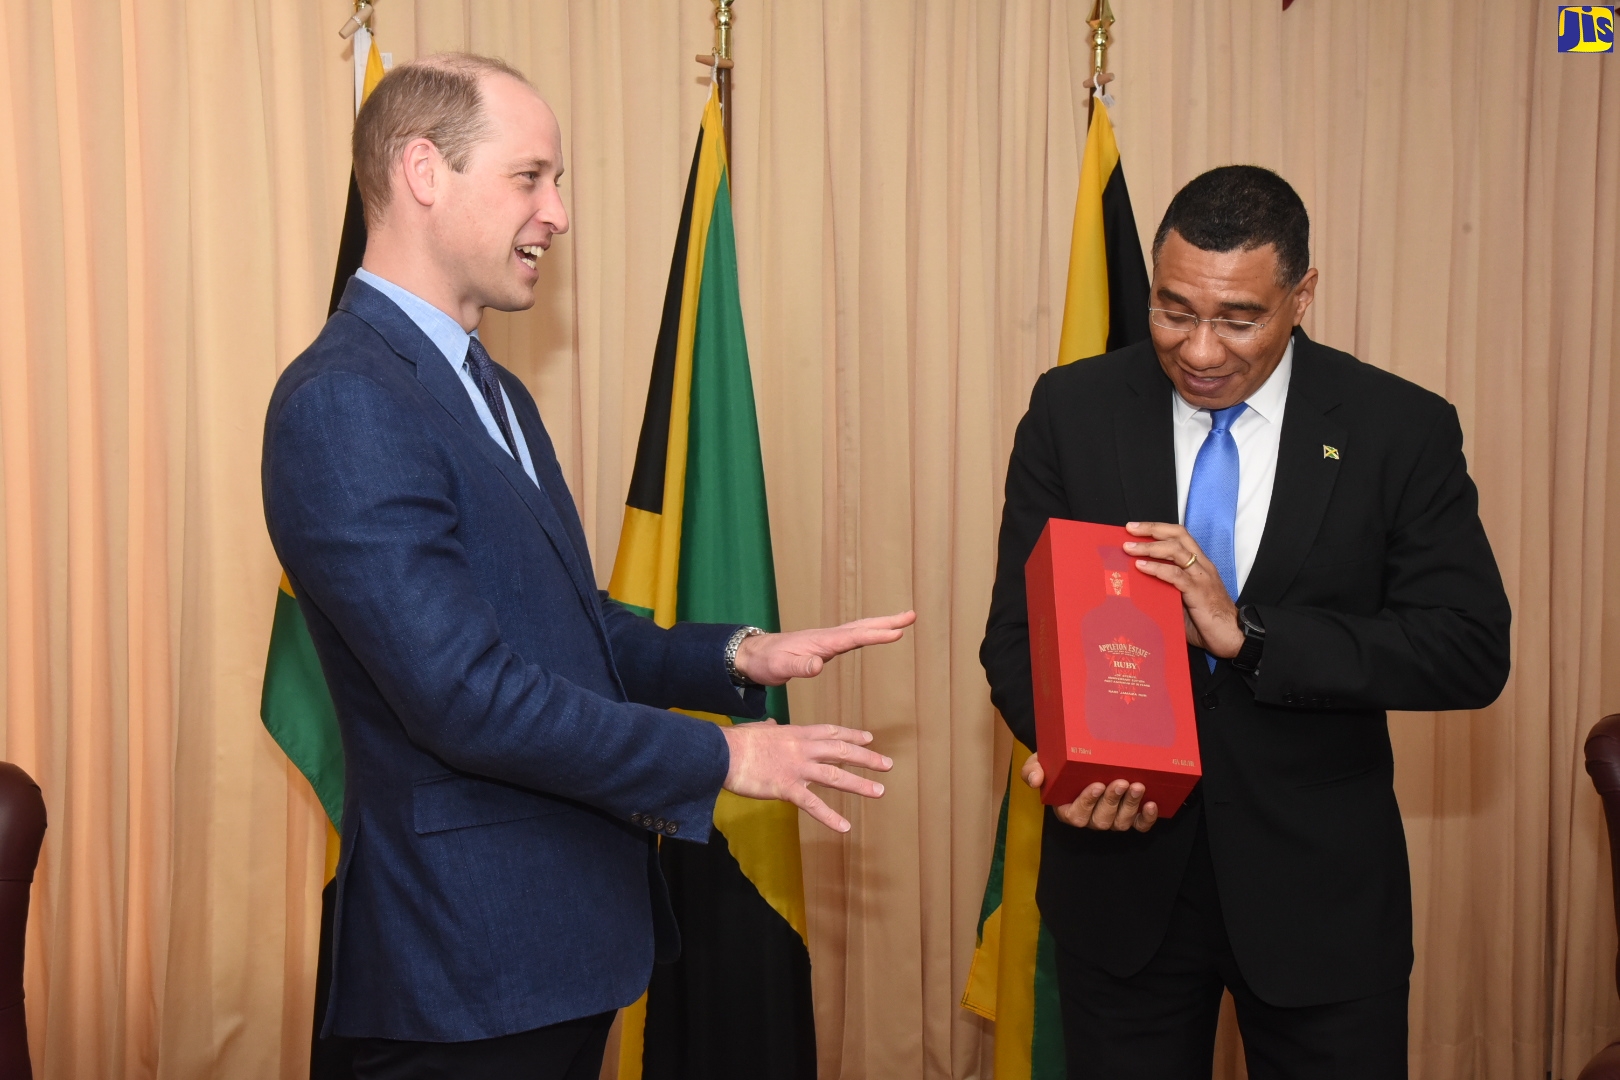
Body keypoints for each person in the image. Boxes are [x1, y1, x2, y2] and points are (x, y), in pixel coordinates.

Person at [262, 53, 913, 1080]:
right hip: (460, 980)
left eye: (555, 182)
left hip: (560, 953)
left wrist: (737, 657)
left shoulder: (493, 390)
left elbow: (566, 626)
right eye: (530, 177)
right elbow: (464, 697)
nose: (558, 214)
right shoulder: (345, 401)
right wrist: (725, 759)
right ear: (424, 171)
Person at [981, 165, 1510, 1078]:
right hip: (1121, 889)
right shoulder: (1073, 410)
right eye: (1173, 310)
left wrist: (1249, 635)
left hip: (1320, 902)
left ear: (1301, 296)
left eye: (1238, 319)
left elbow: (1467, 648)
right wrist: (1076, 758)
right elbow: (1018, 637)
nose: (1199, 350)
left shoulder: (1398, 428)